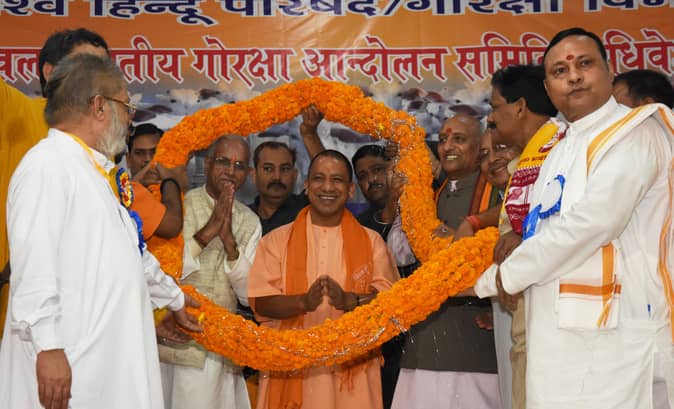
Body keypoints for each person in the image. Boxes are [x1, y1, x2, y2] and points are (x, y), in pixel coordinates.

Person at [0, 54, 201, 409]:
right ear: (99, 106)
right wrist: (48, 348)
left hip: (103, 362)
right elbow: (34, 264)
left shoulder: (93, 171)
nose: (130, 119)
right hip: (72, 363)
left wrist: (174, 298)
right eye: (126, 106)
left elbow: (130, 253)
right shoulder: (48, 165)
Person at [487, 27, 674, 408]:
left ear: (609, 71)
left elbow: (593, 223)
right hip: (559, 340)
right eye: (560, 71)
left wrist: (506, 275)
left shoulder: (637, 132)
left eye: (584, 64)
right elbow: (543, 228)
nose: (573, 76)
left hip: (622, 337)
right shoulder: (561, 146)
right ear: (548, 87)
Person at [248, 150, 400, 409]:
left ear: (351, 190)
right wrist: (302, 303)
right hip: (292, 365)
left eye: (337, 180)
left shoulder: (372, 242)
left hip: (353, 374)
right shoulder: (276, 241)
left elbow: (393, 304)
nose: (328, 187)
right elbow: (261, 302)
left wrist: (352, 300)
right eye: (319, 178)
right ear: (307, 186)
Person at [0, 28, 109, 339]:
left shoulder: (103, 148)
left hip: (79, 314)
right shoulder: (16, 109)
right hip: (19, 306)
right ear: (50, 73)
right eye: (86, 65)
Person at [470, 64, 564, 409]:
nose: (491, 118)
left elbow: (575, 224)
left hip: (555, 324)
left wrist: (523, 242)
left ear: (521, 106)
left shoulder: (562, 148)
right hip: (529, 318)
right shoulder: (529, 157)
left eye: (496, 107)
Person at [392, 113, 501, 409]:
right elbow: (400, 253)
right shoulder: (428, 194)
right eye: (442, 140)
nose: (447, 146)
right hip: (424, 342)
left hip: (474, 343)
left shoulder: (498, 195)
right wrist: (405, 202)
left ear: (480, 147)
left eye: (459, 139)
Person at [160, 135, 262, 409]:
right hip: (178, 345)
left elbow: (248, 296)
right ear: (206, 165)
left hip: (222, 352)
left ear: (247, 174)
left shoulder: (250, 221)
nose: (230, 171)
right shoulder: (179, 208)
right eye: (223, 162)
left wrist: (230, 243)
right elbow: (163, 274)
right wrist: (207, 233)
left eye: (239, 165)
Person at [249, 105, 325, 235]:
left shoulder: (307, 208)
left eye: (285, 169)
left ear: (295, 175)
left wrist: (309, 133)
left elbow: (327, 176)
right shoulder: (242, 218)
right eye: (268, 169)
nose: (277, 177)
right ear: (254, 175)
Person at [126, 123, 185, 240]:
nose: (148, 159)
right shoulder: (119, 195)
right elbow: (172, 224)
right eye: (139, 153)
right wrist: (170, 181)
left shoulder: (188, 199)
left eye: (155, 152)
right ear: (128, 160)